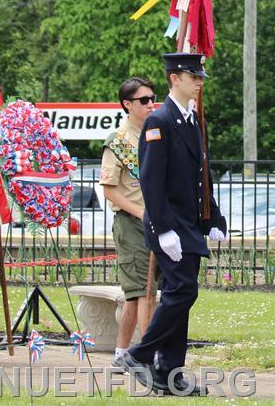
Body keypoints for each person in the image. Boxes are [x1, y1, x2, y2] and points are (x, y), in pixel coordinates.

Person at [119, 53, 226, 395]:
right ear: (174, 78)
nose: (200, 81)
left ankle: (169, 372)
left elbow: (200, 174)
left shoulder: (192, 120)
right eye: (193, 76)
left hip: (189, 223)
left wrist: (213, 216)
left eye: (200, 76)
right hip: (170, 224)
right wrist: (163, 228)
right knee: (183, 291)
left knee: (180, 295)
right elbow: (152, 180)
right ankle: (139, 354)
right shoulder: (159, 120)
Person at [99, 76, 157, 366]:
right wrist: (141, 214)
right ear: (127, 104)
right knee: (143, 291)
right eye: (143, 100)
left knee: (138, 295)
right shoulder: (119, 142)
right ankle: (148, 356)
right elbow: (109, 190)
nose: (151, 104)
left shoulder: (153, 135)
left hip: (154, 220)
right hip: (132, 221)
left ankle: (123, 353)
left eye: (152, 98)